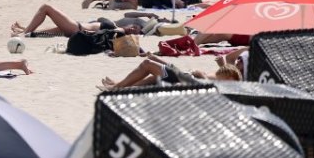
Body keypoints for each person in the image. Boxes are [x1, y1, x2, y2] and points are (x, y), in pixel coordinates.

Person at [11, 4, 153, 38]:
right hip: (75, 29)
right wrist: (150, 14)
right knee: (42, 33)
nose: (133, 29)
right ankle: (26, 31)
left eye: (136, 31)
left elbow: (99, 28)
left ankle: (24, 33)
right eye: (134, 27)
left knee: (46, 8)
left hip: (76, 28)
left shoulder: (116, 29)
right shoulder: (115, 26)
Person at [100, 57, 241, 89]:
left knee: (147, 64)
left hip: (182, 80)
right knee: (151, 73)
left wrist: (199, 76)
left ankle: (117, 87)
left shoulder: (224, 85)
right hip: (182, 76)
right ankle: (120, 85)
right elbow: (197, 72)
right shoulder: (219, 79)